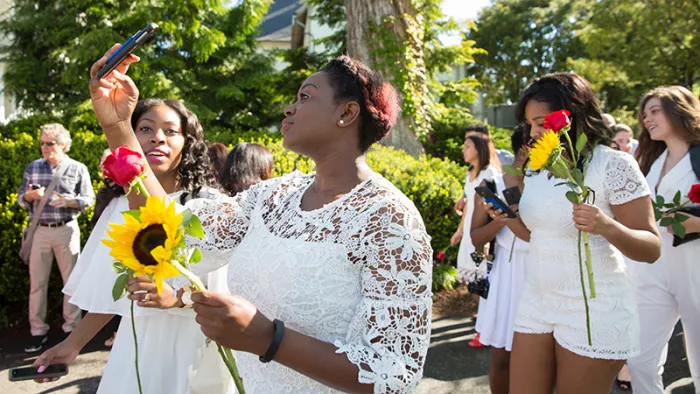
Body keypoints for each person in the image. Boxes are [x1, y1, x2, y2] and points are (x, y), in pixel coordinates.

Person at [90, 46, 432, 393]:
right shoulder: (272, 197)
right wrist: (118, 125)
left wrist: (270, 339)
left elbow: (393, 375)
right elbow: (165, 227)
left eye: (305, 96)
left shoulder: (389, 218)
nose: (290, 107)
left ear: (346, 113)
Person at [35, 99, 234, 394]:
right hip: (137, 340)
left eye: (171, 131)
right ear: (131, 138)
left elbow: (227, 291)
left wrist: (178, 299)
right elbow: (114, 289)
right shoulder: (118, 208)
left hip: (198, 342)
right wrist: (72, 344)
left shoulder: (207, 205)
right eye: (145, 128)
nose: (157, 138)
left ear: (187, 142)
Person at [484, 73, 661, 394]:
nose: (534, 132)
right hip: (537, 300)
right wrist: (508, 219)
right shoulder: (538, 169)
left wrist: (607, 226)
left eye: (541, 122)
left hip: (592, 308)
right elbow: (539, 236)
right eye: (530, 124)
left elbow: (651, 248)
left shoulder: (613, 164)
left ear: (573, 114)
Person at [626, 86, 700, 394]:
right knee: (639, 360)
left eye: (655, 111)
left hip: (694, 266)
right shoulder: (650, 161)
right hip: (653, 270)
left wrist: (696, 221)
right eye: (644, 114)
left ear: (679, 110)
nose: (647, 119)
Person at [17, 123, 95, 353]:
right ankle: (37, 332)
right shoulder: (33, 167)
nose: (44, 147)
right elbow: (21, 199)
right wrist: (30, 196)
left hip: (67, 230)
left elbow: (88, 199)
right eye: (42, 142)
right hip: (40, 230)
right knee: (37, 284)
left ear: (63, 145)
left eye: (49, 143)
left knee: (71, 282)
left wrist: (70, 202)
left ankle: (71, 330)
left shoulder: (78, 168)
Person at [470, 127, 529, 394]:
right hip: (506, 272)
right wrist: (501, 218)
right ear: (522, 152)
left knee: (539, 356)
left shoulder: (553, 186)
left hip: (542, 269)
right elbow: (475, 237)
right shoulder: (490, 187)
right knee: (502, 353)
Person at [450, 131, 500, 347]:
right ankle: (483, 320)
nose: (463, 149)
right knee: (473, 280)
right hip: (470, 233)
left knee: (482, 280)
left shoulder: (489, 175)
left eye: (468, 146)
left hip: (482, 236)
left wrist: (487, 239)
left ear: (479, 149)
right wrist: (460, 230)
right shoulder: (469, 173)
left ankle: (486, 330)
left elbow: (493, 208)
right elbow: (470, 204)